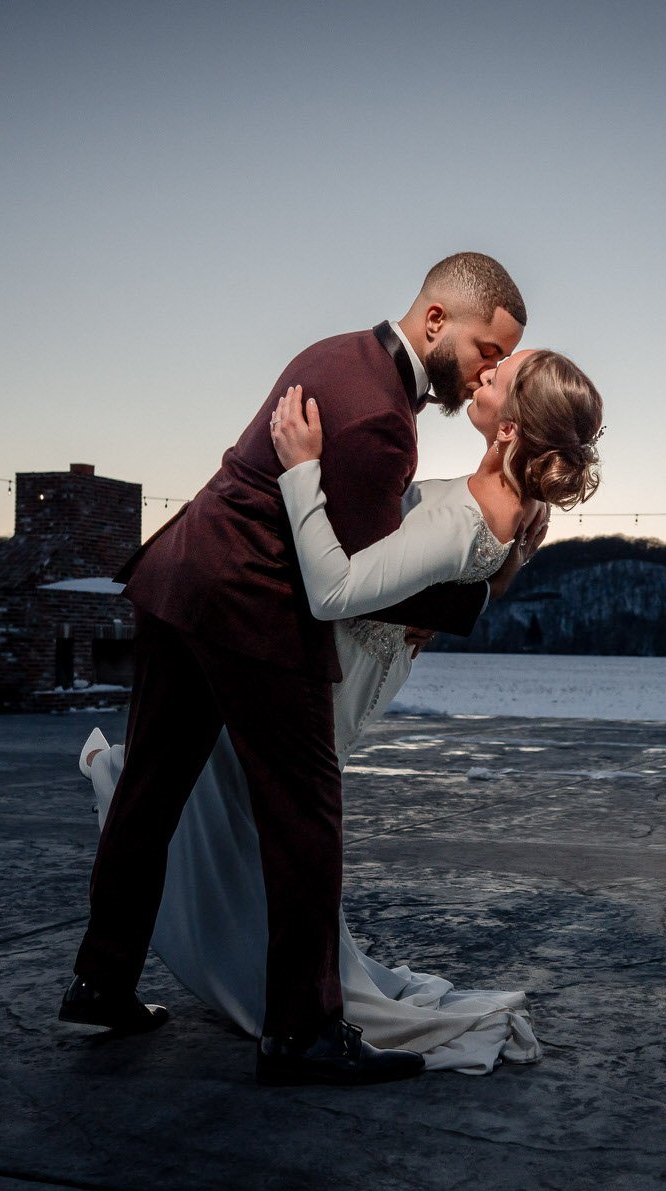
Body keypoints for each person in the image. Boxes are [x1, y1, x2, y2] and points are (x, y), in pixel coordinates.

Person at [60, 253, 531, 1087]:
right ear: (435, 322)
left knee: (151, 794)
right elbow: (351, 581)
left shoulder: (336, 351)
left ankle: (101, 982)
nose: (490, 370)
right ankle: (302, 1031)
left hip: (181, 582)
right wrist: (462, 598)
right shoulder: (384, 418)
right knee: (306, 817)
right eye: (487, 349)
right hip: (250, 607)